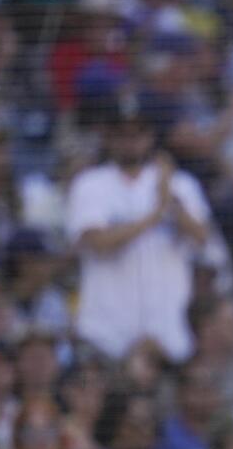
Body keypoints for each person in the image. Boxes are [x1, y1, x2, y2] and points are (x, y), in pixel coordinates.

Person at [65, 95, 212, 363]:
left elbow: (203, 237)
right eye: (121, 133)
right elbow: (98, 241)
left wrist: (172, 205)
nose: (130, 140)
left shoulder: (179, 184)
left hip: (169, 335)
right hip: (105, 335)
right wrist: (155, 213)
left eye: (138, 132)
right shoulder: (90, 184)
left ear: (151, 136)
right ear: (108, 137)